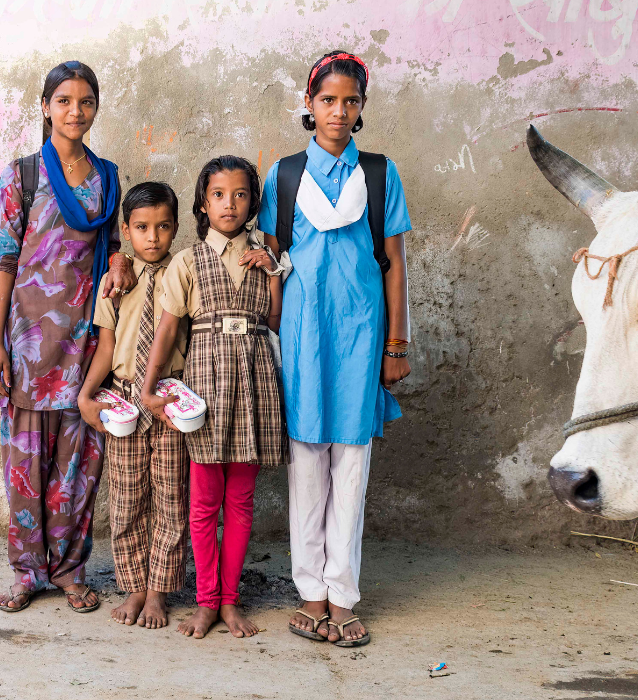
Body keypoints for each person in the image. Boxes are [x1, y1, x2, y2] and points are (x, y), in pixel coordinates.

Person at [251, 51, 412, 647]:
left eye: (350, 102)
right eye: (327, 101)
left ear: (362, 107)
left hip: (361, 333)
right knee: (306, 465)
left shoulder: (377, 174)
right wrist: (271, 333)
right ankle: (309, 590)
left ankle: (342, 593)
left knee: (352, 463)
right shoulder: (286, 176)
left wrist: (397, 341)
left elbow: (393, 264)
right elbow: (273, 262)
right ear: (309, 104)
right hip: (301, 335)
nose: (338, 112)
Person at [0, 61, 135, 613]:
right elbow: (4, 258)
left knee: (79, 459)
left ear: (96, 108)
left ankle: (70, 569)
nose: (76, 110)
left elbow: (114, 242)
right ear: (45, 107)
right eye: (64, 100)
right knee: (24, 461)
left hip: (88, 338)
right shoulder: (21, 175)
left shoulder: (106, 177)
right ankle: (28, 571)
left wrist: (118, 263)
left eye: (86, 101)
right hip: (27, 340)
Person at [140, 156, 286, 639]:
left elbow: (276, 322)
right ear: (204, 202)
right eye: (219, 195)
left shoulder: (268, 252)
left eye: (241, 194)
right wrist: (149, 385)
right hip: (204, 384)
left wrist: (273, 272)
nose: (230, 204)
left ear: (253, 202)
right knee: (203, 502)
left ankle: (229, 601)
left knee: (241, 499)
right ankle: (205, 600)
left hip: (255, 379)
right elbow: (167, 330)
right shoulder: (187, 261)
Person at [77, 182, 189, 629]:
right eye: (142, 227)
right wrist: (86, 394)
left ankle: (159, 592)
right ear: (126, 230)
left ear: (176, 229)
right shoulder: (116, 284)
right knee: (126, 500)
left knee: (170, 499)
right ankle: (134, 586)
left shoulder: (184, 273)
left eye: (163, 227)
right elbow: (105, 348)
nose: (153, 237)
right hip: (123, 399)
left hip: (168, 400)